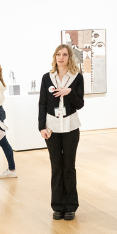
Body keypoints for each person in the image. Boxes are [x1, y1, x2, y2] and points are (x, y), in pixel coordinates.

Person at [39, 44, 85, 220]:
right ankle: (58, 206)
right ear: (54, 57)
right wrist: (41, 127)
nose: (61, 57)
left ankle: (71, 206)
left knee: (69, 167)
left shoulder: (77, 78)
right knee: (56, 167)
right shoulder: (47, 77)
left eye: (65, 54)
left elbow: (80, 104)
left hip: (71, 127)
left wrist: (70, 92)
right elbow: (42, 103)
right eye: (58, 54)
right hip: (52, 128)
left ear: (69, 57)